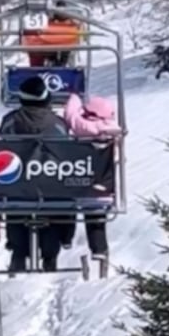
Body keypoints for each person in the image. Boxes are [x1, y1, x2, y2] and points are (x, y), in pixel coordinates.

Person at [0, 75, 68, 273]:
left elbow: (2, 145)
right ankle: (50, 256)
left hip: (17, 179)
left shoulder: (10, 121)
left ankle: (18, 252)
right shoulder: (57, 123)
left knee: (15, 204)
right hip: (50, 178)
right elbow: (66, 149)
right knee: (53, 208)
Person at [62, 92, 121, 267]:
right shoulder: (113, 132)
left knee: (68, 207)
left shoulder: (85, 128)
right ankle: (99, 249)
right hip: (103, 185)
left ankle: (66, 238)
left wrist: (74, 98)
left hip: (77, 180)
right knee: (96, 218)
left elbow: (71, 117)